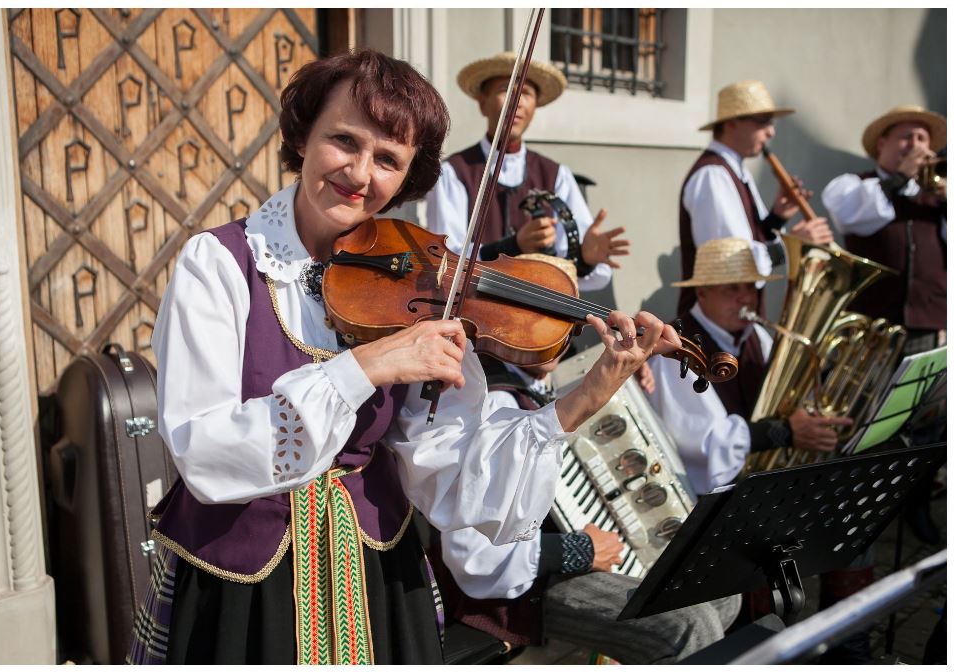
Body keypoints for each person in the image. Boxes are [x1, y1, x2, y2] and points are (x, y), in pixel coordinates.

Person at [125, 49, 680, 665]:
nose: (360, 174)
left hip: (375, 578)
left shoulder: (419, 293)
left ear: (408, 178)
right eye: (344, 140)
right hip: (246, 589)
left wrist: (584, 397)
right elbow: (202, 449)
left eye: (388, 159)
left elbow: (452, 479)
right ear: (304, 135)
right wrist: (366, 367)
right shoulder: (220, 265)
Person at [430, 263, 740, 663]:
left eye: (569, 313)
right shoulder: (488, 400)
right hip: (528, 587)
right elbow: (473, 557)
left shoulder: (556, 386)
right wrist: (579, 549)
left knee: (721, 588)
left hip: (583, 558)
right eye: (541, 310)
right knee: (688, 626)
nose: (562, 327)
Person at [644, 238, 852, 495]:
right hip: (709, 500)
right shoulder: (675, 349)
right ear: (702, 292)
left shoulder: (755, 335)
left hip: (758, 485)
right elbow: (706, 444)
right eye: (732, 288)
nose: (747, 298)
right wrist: (784, 432)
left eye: (751, 287)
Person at [426, 52, 629, 292]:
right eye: (506, 89)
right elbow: (444, 259)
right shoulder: (454, 172)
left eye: (526, 93)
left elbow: (576, 272)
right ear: (483, 103)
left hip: (537, 319)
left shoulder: (556, 175)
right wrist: (513, 245)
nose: (517, 102)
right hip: (472, 312)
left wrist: (584, 259)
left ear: (534, 107)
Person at [678, 80, 834, 316]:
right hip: (714, 324)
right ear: (731, 124)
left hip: (735, 319)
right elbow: (732, 263)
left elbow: (750, 239)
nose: (771, 131)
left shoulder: (737, 171)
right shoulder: (712, 176)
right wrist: (792, 245)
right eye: (762, 122)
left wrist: (777, 218)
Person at [821, 104, 946, 357]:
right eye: (906, 137)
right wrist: (899, 178)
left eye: (922, 139)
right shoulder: (856, 184)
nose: (915, 146)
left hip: (927, 327)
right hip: (870, 326)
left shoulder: (934, 196)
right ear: (881, 144)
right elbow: (848, 215)